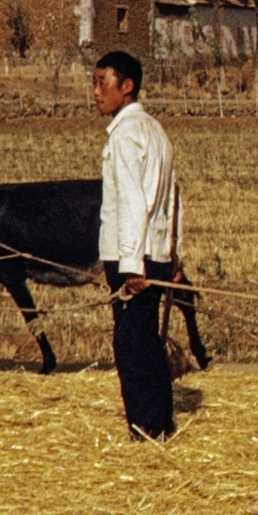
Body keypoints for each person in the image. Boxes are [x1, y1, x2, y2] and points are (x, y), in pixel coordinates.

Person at [92, 51, 176, 442]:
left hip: (133, 260)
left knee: (131, 347)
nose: (95, 92)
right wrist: (171, 256)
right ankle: (161, 424)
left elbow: (131, 202)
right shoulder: (155, 130)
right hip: (155, 255)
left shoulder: (126, 135)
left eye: (103, 83)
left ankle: (144, 431)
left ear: (127, 87)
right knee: (148, 342)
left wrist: (132, 265)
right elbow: (172, 200)